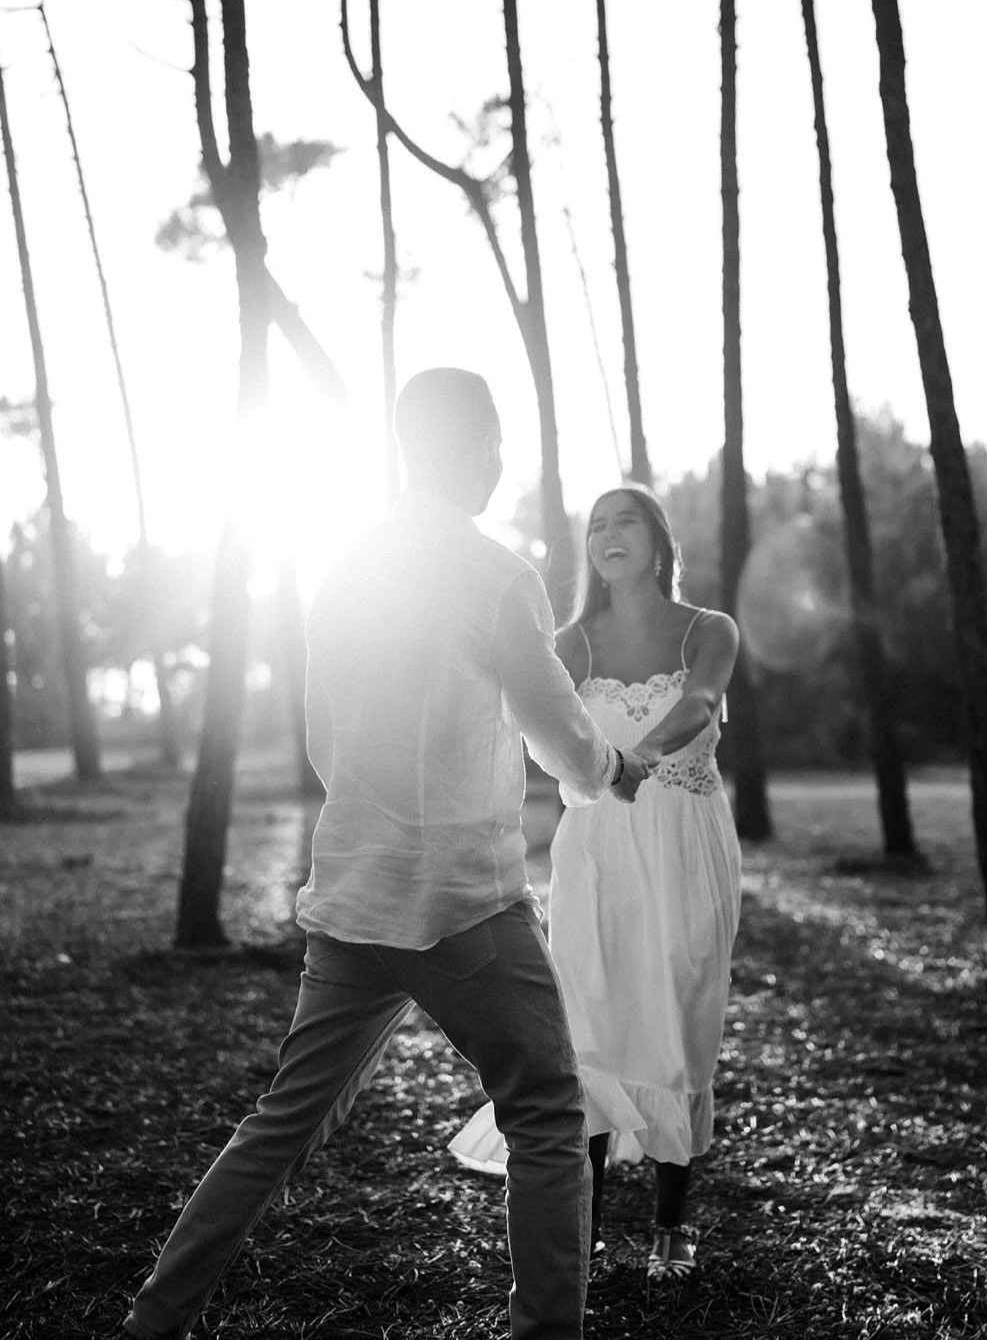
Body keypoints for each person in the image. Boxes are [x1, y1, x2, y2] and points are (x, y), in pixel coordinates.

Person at [122, 370, 650, 1340]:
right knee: (544, 1113)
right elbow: (558, 733)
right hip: (466, 907)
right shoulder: (497, 576)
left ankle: (153, 1321)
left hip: (355, 896)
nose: (500, 459)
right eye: (494, 441)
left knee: (282, 1124)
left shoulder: (343, 571)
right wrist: (609, 770)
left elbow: (327, 739)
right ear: (476, 445)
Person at [450, 484, 741, 1282]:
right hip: (596, 852)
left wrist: (634, 759)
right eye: (597, 525)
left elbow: (705, 703)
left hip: (683, 839)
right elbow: (521, 720)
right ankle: (588, 1225)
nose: (609, 535)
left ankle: (672, 1224)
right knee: (593, 1026)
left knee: (682, 1013)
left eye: (627, 521)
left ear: (658, 541)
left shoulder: (707, 631)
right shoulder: (571, 644)